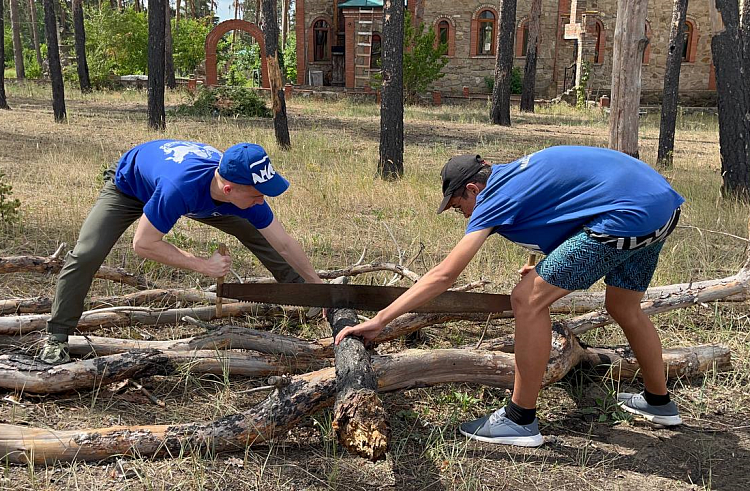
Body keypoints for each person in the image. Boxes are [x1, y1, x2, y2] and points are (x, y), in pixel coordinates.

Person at [334, 146, 684, 447]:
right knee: (622, 306)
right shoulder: (514, 176)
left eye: (459, 206)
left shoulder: (493, 197)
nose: (464, 215)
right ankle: (658, 402)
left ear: (473, 189)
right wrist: (550, 266)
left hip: (629, 215)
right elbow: (577, 204)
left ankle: (519, 419)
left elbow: (444, 275)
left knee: (527, 299)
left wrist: (381, 319)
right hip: (661, 206)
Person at [40, 140, 324, 364]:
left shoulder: (238, 191)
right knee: (87, 253)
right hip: (129, 188)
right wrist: (204, 266)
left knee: (254, 228)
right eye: (257, 194)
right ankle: (57, 336)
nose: (262, 200)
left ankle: (302, 292)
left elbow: (284, 242)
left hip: (194, 195)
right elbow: (143, 244)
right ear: (229, 189)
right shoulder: (180, 188)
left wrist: (317, 285)